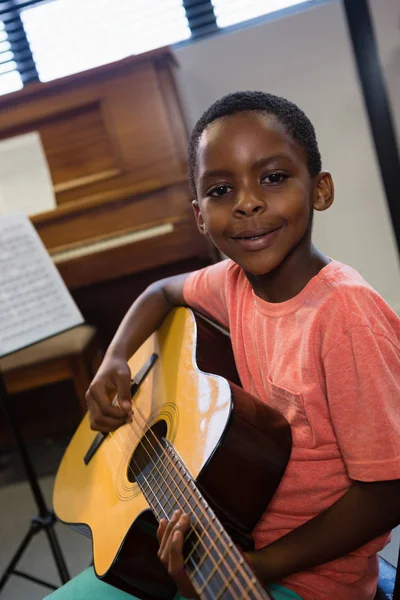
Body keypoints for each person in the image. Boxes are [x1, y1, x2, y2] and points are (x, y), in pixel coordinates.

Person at [45, 91, 400, 600]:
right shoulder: (234, 281)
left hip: (312, 579)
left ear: (320, 190)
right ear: (199, 216)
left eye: (274, 178)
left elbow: (388, 490)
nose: (247, 202)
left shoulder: (345, 315)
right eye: (220, 189)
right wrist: (116, 359)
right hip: (233, 526)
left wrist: (257, 565)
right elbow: (160, 292)